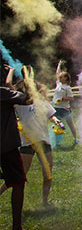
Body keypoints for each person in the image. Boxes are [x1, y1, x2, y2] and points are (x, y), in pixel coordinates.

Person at [2, 71, 61, 207]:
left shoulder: (42, 101)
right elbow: (8, 84)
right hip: (28, 143)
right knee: (17, 176)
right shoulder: (20, 101)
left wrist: (55, 120)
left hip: (43, 142)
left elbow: (50, 114)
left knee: (48, 175)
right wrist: (11, 71)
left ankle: (45, 202)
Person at [1, 65, 30, 230]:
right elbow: (26, 99)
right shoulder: (3, 93)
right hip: (6, 147)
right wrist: (29, 84)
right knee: (18, 184)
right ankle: (17, 228)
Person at [52, 60, 78, 145]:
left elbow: (71, 98)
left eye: (62, 76)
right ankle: (58, 142)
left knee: (70, 125)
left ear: (66, 78)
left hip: (65, 108)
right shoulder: (58, 84)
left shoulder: (67, 87)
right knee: (57, 125)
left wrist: (63, 99)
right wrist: (59, 65)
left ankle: (75, 139)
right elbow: (57, 73)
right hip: (57, 108)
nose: (60, 77)